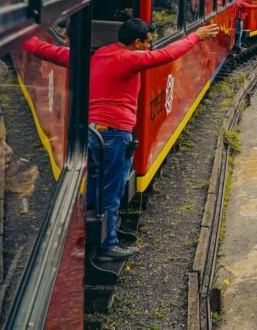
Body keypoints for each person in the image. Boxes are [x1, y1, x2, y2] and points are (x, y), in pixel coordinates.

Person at [88, 18, 219, 260]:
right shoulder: (129, 58)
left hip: (94, 132)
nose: (150, 47)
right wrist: (196, 36)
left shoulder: (103, 53)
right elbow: (167, 55)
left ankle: (89, 235)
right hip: (115, 134)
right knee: (112, 190)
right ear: (136, 42)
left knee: (94, 186)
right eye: (148, 43)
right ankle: (107, 245)